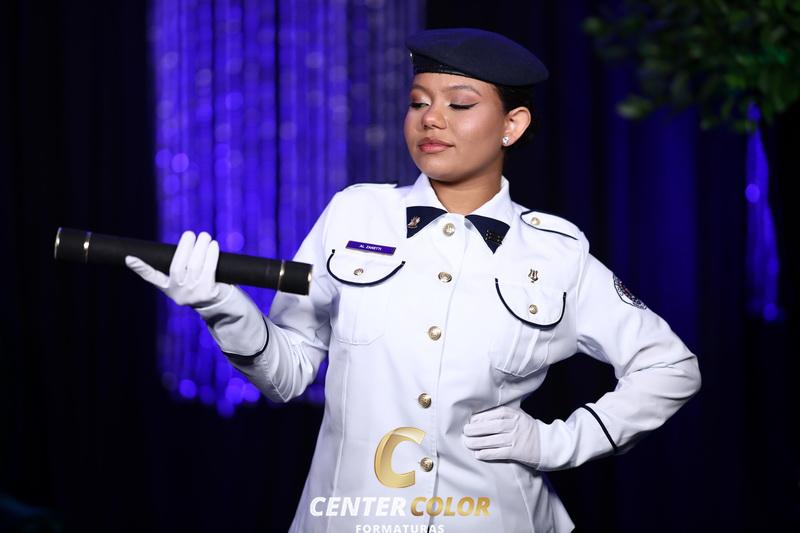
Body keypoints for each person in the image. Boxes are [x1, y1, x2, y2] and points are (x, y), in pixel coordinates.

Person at [126, 28, 701, 533]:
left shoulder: (555, 251)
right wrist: (222, 307)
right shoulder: (354, 214)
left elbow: (670, 367)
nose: (431, 118)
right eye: (418, 102)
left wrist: (556, 443)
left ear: (512, 125)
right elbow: (287, 374)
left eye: (460, 103)